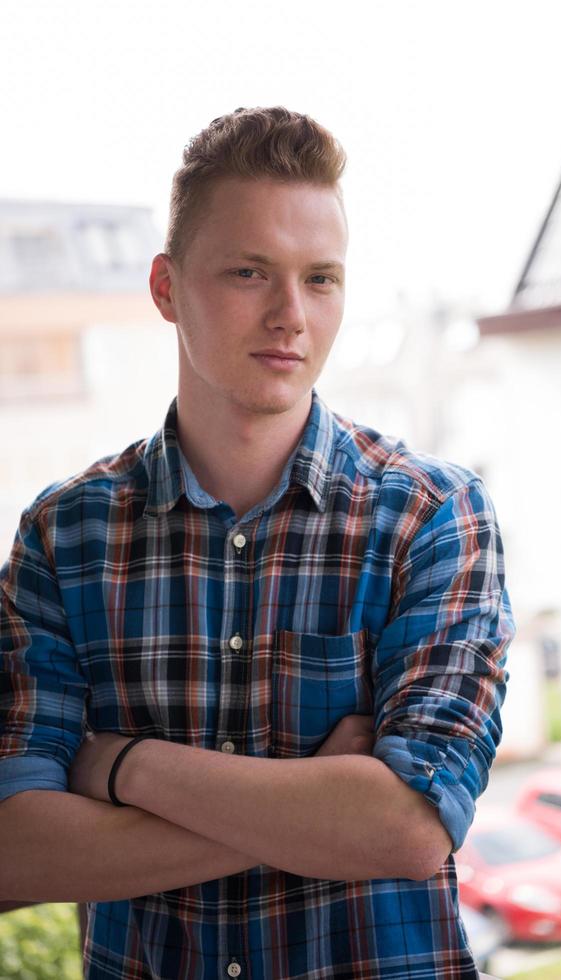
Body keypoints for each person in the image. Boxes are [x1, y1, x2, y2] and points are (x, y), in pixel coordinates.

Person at [0, 107, 515, 980]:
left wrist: (125, 766)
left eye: (321, 279)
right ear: (166, 288)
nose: (290, 314)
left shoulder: (433, 517)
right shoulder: (66, 536)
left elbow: (406, 830)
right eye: (249, 272)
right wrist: (318, 813)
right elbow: (17, 852)